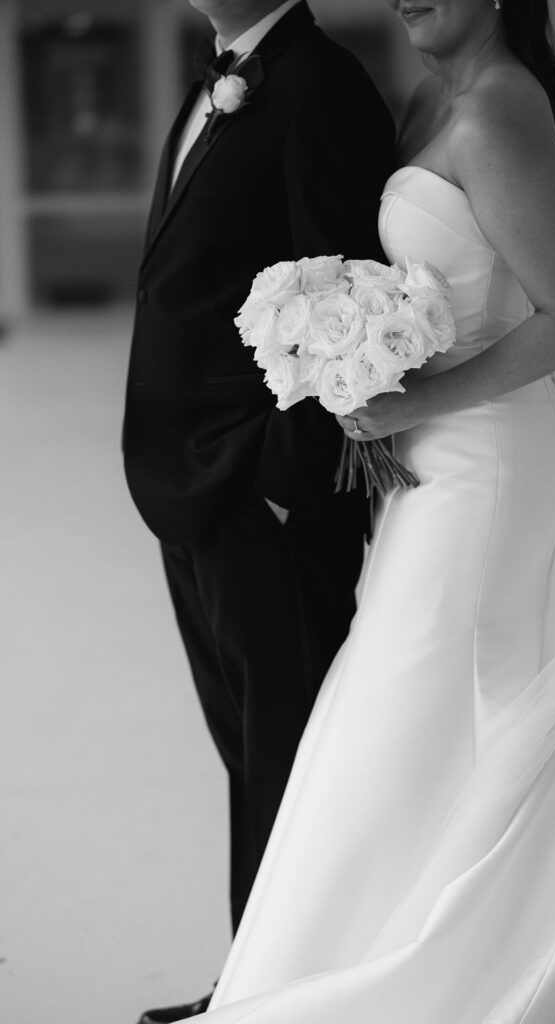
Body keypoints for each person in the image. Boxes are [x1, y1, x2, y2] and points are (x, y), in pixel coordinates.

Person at [168, 0, 555, 1021]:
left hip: (490, 464)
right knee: (451, 692)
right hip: (434, 452)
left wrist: (412, 400)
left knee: (417, 682)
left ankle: (436, 957)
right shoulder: (426, 100)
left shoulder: (496, 112)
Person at [122, 1, 395, 1020]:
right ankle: (261, 983)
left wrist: (282, 482)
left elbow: (348, 287)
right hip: (189, 490)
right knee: (251, 756)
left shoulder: (318, 87)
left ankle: (276, 998)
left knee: (286, 760)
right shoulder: (217, 78)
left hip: (257, 497)